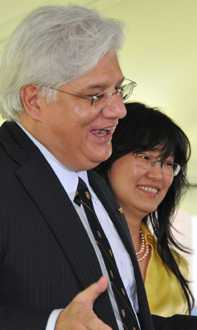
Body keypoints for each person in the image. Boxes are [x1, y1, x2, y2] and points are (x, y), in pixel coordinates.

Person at [0, 5, 196, 330]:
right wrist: (51, 325)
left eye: (118, 90)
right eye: (95, 96)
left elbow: (125, 320)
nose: (119, 110)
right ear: (34, 101)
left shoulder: (91, 182)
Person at [96, 102, 195, 317]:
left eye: (168, 163)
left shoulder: (176, 265)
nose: (158, 175)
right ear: (108, 154)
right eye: (145, 157)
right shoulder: (76, 240)